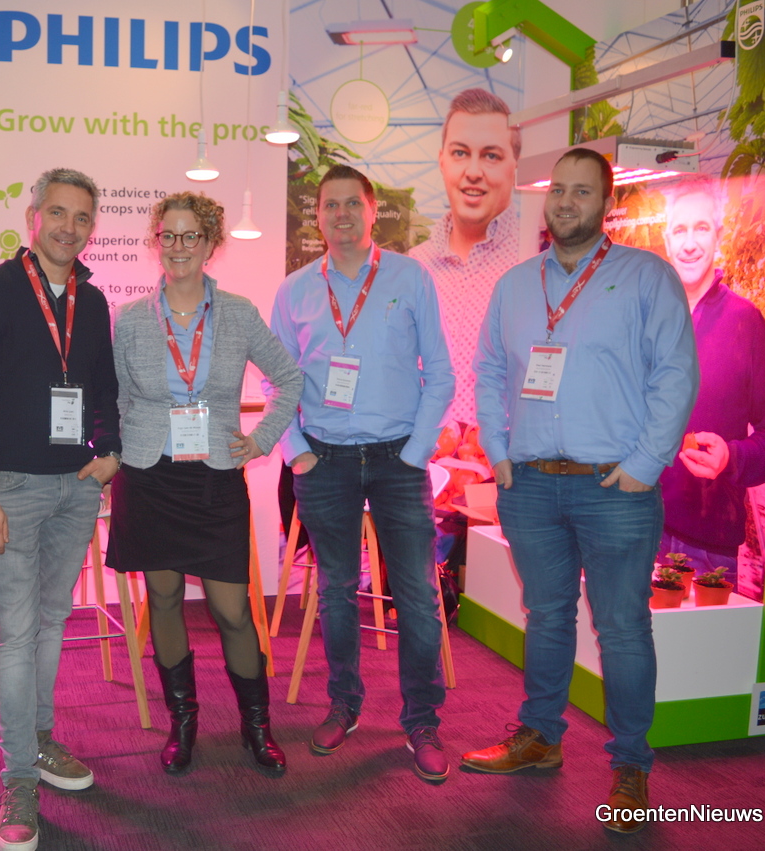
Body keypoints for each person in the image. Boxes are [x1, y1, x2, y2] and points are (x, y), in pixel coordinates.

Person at [465, 148, 699, 834]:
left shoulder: (646, 277)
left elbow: (677, 374)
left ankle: (630, 766)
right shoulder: (515, 285)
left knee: (621, 628)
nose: (566, 201)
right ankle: (540, 736)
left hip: (615, 487)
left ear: (607, 203)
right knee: (546, 615)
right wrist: (498, 451)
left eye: (582, 191)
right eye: (559, 190)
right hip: (531, 485)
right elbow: (487, 370)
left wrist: (647, 462)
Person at [0, 168, 121, 851]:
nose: (70, 227)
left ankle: (40, 740)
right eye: (59, 213)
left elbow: (103, 387)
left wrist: (112, 449)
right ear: (33, 215)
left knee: (51, 620)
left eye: (83, 217)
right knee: (16, 635)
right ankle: (18, 777)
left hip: (76, 487)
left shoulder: (92, 302)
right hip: (9, 491)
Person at [270, 164, 456, 782]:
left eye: (354, 203)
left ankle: (422, 720)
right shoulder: (295, 290)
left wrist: (417, 452)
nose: (342, 214)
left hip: (398, 459)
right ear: (318, 216)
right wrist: (296, 450)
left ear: (373, 212)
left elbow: (441, 374)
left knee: (418, 597)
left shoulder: (410, 277)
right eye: (331, 205)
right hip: (325, 459)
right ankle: (344, 703)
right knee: (335, 592)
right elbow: (277, 382)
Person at [108, 192, 303, 776]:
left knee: (232, 610)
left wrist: (261, 439)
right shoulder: (131, 318)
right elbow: (116, 399)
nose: (178, 247)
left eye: (190, 235)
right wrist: (113, 457)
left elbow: (289, 378)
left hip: (216, 478)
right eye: (168, 235)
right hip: (150, 477)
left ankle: (256, 725)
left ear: (211, 243)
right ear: (156, 242)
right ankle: (183, 721)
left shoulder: (238, 313)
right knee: (164, 598)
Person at [656, 178, 765, 587]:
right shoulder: (648, 317)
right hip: (638, 524)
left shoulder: (746, 322)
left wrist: (731, 458)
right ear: (667, 239)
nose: (690, 243)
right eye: (680, 230)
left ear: (719, 235)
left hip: (707, 548)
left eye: (701, 228)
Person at [410, 88, 521, 425]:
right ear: (442, 160)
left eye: (491, 156)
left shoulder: (533, 261)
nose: (473, 171)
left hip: (506, 453)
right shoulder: (413, 265)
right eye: (460, 153)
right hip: (422, 453)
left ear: (515, 166)